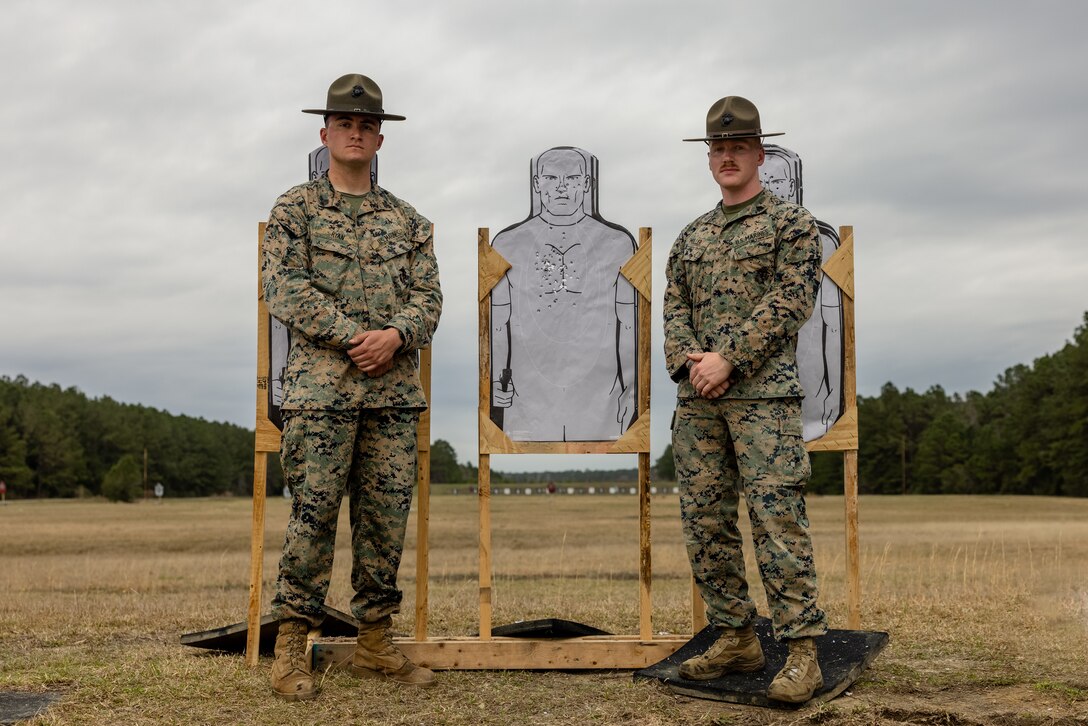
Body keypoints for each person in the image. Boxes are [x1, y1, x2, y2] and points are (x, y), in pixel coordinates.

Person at [261, 73, 442, 698]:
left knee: (383, 524)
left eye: (368, 125)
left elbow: (430, 300)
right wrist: (352, 337)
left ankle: (373, 641)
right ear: (326, 133)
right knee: (311, 518)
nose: (356, 133)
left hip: (391, 398)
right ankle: (291, 646)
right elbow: (283, 289)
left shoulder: (410, 221)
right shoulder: (295, 211)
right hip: (321, 395)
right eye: (346, 124)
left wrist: (394, 335)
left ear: (381, 138)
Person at [663, 96, 828, 703]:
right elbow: (674, 307)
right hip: (700, 404)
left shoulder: (792, 225)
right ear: (709, 159)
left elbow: (790, 301)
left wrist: (729, 358)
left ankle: (803, 652)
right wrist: (693, 363)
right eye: (718, 148)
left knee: (776, 519)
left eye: (739, 147)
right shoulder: (692, 236)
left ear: (760, 153)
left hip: (763, 400)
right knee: (705, 521)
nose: (728, 156)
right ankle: (736, 636)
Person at [490, 146, 637, 441]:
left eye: (571, 178)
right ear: (536, 183)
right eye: (550, 177)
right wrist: (493, 380)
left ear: (586, 183)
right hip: (527, 394)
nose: (560, 187)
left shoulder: (617, 244)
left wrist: (632, 390)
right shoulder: (506, 245)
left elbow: (629, 324)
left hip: (600, 391)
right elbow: (497, 323)